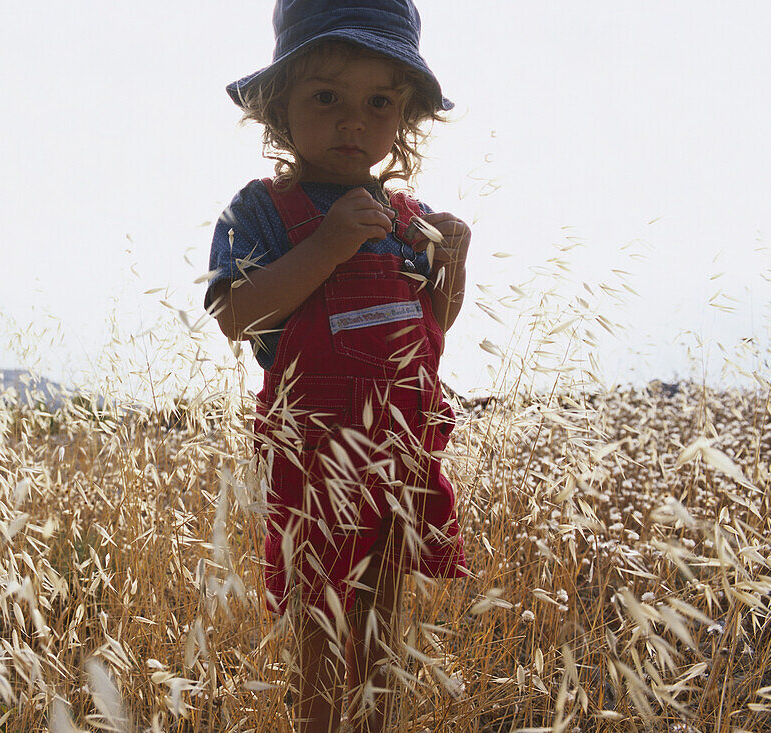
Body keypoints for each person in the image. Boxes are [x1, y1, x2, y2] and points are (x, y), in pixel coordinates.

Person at [205, 1, 469, 731]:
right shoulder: (260, 210)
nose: (354, 122)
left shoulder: (402, 213)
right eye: (328, 97)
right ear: (280, 108)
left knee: (381, 625)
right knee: (321, 626)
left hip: (400, 447)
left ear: (404, 115)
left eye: (378, 102)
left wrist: (456, 264)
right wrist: (325, 247)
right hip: (317, 453)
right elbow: (235, 315)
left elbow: (429, 328)